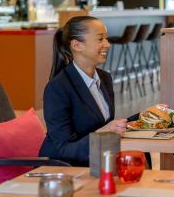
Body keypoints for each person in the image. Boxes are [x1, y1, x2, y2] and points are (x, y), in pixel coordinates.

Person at [39, 16, 138, 166]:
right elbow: (64, 150)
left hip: (95, 160)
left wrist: (146, 117)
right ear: (77, 45)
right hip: (63, 169)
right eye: (100, 39)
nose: (108, 44)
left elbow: (106, 126)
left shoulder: (105, 78)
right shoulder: (57, 89)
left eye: (106, 38)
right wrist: (103, 132)